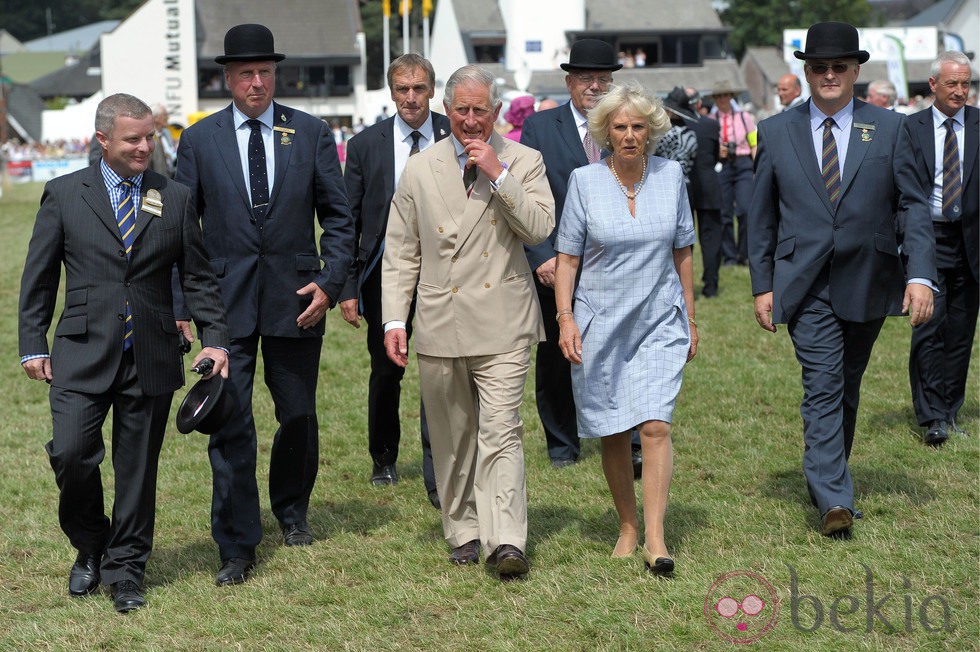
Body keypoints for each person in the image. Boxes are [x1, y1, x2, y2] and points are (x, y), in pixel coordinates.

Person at [18, 93, 230, 613]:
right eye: (132, 138)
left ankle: (126, 569)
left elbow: (199, 278)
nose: (143, 147)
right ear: (103, 140)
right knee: (70, 454)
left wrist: (215, 337)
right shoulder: (65, 195)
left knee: (137, 471)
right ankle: (91, 544)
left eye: (149, 136)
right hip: (80, 351)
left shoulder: (174, 198)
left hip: (151, 352)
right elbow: (40, 278)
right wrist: (31, 344)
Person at [173, 23, 354, 584]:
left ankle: (292, 510)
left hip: (297, 300)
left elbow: (342, 219)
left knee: (297, 413)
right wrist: (185, 305)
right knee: (230, 420)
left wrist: (329, 282)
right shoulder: (199, 141)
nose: (257, 82)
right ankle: (236, 542)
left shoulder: (311, 133)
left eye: (266, 73)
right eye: (246, 74)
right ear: (227, 78)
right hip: (223, 308)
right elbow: (181, 232)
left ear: (276, 75)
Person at [748, 22, 936, 537]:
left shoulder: (892, 128)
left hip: (871, 278)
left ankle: (830, 474)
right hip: (803, 283)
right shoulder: (777, 130)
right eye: (818, 67)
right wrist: (762, 285)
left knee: (846, 385)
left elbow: (913, 208)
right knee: (823, 383)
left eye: (838, 67)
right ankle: (835, 499)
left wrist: (920, 274)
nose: (828, 75)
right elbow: (761, 215)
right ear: (805, 72)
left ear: (856, 70)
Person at [381, 65, 554, 579]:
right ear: (447, 110)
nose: (472, 120)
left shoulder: (525, 161)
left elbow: (540, 226)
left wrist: (498, 174)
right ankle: (463, 529)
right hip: (439, 318)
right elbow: (401, 251)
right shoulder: (420, 167)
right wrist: (395, 318)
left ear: (497, 112)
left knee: (501, 430)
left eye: (482, 110)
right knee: (453, 435)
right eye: (462, 110)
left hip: (504, 319)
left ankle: (506, 541)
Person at [553, 81, 697, 575]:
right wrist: (566, 319)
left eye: (638, 126)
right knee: (613, 429)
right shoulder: (584, 181)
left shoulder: (673, 175)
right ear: (606, 132)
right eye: (620, 127)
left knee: (655, 425)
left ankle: (656, 537)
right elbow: (567, 259)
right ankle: (628, 525)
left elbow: (683, 249)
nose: (630, 135)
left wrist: (690, 317)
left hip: (659, 318)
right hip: (600, 321)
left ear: (651, 130)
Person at [520, 38, 642, 472]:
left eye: (603, 79)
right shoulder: (539, 127)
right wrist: (540, 255)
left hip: (616, 261)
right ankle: (561, 444)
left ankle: (628, 438)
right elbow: (525, 197)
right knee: (556, 352)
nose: (595, 86)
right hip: (557, 262)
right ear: (569, 81)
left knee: (622, 350)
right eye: (586, 78)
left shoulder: (628, 125)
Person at [339, 53, 449, 505]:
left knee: (442, 371)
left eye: (418, 88)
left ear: (431, 89)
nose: (410, 97)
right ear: (391, 92)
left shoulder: (453, 132)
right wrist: (346, 287)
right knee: (387, 370)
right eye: (402, 89)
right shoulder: (366, 145)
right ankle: (383, 456)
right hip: (384, 274)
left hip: (446, 271)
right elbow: (345, 219)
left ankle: (440, 460)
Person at [906, 51, 978, 446]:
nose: (960, 91)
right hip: (927, 237)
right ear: (933, 84)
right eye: (952, 83)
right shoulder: (911, 128)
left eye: (966, 84)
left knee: (961, 331)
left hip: (971, 241)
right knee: (928, 326)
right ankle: (931, 413)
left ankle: (951, 409)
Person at [711, 79, 756, 266]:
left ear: (731, 97)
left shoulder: (745, 117)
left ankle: (744, 254)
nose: (722, 99)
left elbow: (754, 143)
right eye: (719, 96)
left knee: (746, 210)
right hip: (722, 165)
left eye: (725, 95)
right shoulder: (711, 121)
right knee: (724, 212)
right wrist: (717, 151)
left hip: (743, 163)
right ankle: (729, 256)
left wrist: (757, 167)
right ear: (715, 99)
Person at [685, 88, 723, 298]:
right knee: (711, 238)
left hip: (685, 186)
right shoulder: (711, 124)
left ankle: (685, 286)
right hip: (708, 184)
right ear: (699, 104)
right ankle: (711, 285)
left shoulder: (676, 125)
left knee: (684, 242)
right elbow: (717, 154)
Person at [149, 104, 177, 177]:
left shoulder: (167, 133)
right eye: (165, 115)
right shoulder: (149, 137)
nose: (168, 117)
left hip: (172, 175)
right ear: (155, 118)